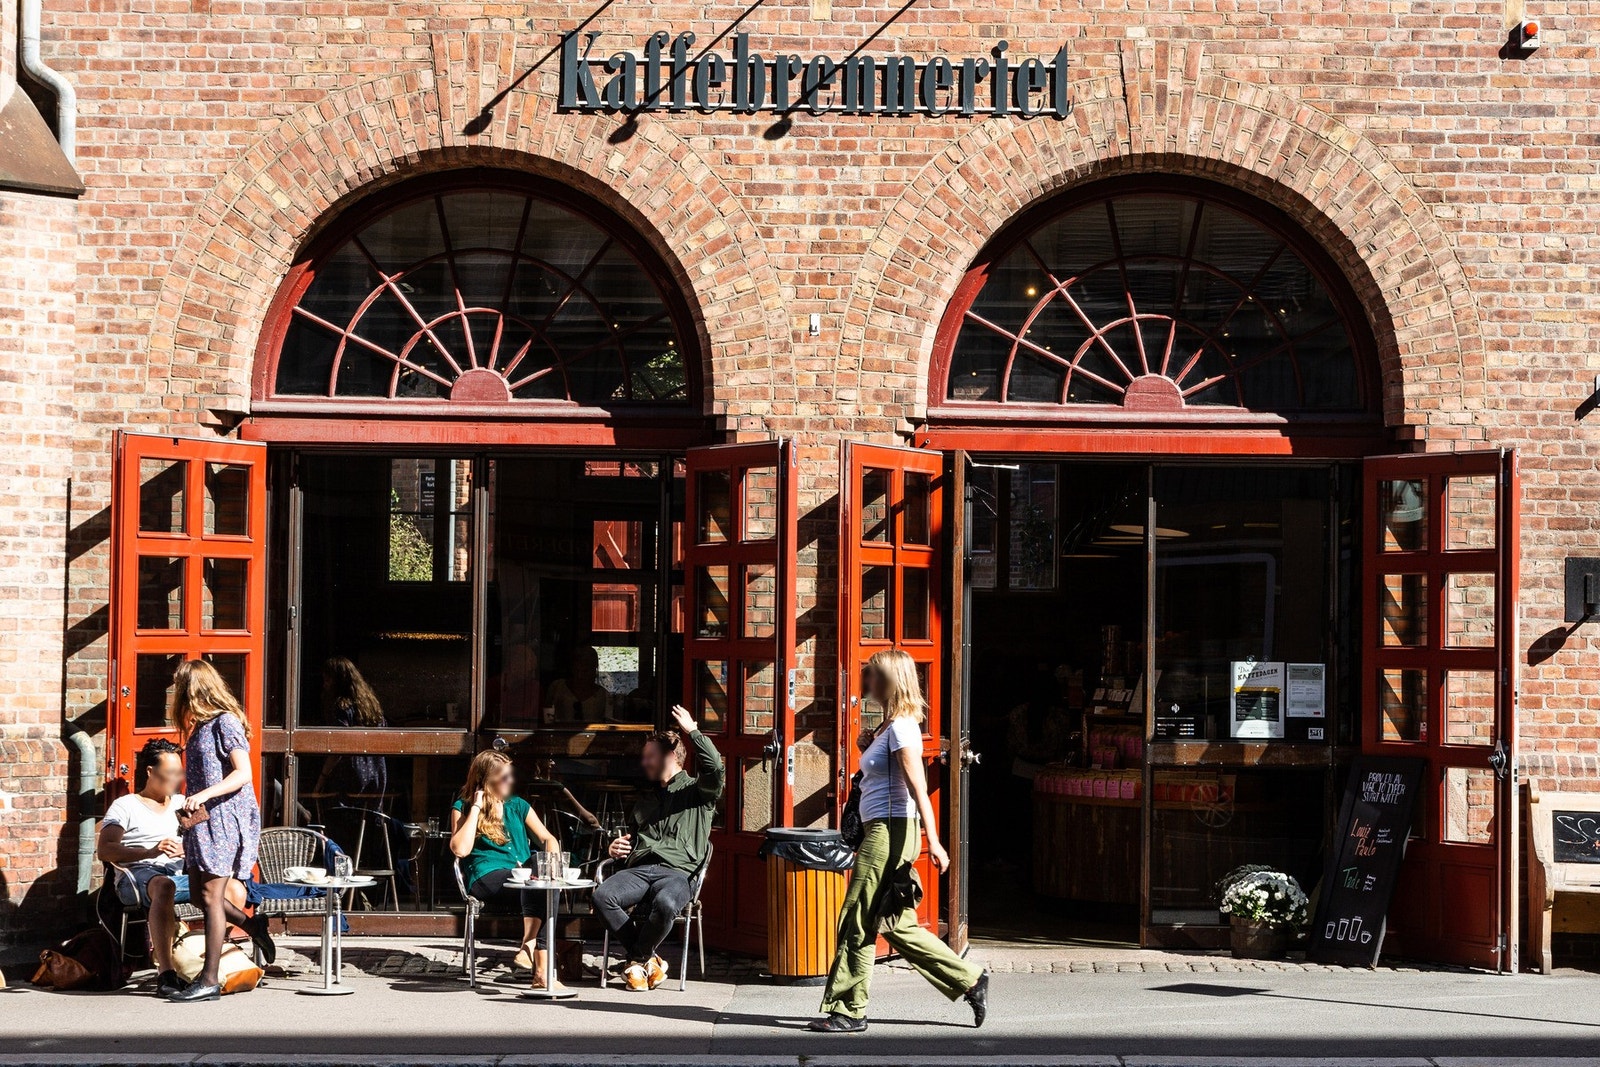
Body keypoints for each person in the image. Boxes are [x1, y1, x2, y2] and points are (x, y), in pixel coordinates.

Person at [807, 649, 990, 1033]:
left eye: (872, 674)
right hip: (884, 827)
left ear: (889, 680)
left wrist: (935, 843)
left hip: (889, 831)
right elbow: (883, 777)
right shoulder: (890, 726)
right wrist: (866, 749)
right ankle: (970, 979)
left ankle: (848, 1010)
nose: (866, 681)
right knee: (895, 922)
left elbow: (918, 788)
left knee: (856, 918)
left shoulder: (903, 728)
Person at [592, 703, 723, 992]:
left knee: (666, 904)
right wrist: (615, 849)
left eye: (650, 756)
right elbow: (633, 842)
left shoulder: (699, 793)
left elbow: (715, 767)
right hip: (640, 870)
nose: (645, 763)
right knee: (603, 896)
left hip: (678, 873)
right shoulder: (645, 801)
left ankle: (636, 959)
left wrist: (692, 731)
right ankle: (648, 960)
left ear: (671, 757)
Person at [168, 659, 273, 1002]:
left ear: (192, 688)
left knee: (213, 896)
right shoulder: (201, 726)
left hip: (224, 817)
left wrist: (203, 794)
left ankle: (209, 978)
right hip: (204, 817)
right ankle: (253, 925)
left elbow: (243, 773)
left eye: (179, 687)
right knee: (200, 894)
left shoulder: (225, 722)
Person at [448, 749, 562, 988]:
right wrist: (477, 807)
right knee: (542, 886)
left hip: (524, 879)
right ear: (485, 780)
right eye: (504, 777)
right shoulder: (464, 806)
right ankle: (542, 971)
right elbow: (459, 849)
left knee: (544, 878)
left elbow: (548, 839)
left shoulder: (518, 805)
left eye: (511, 775)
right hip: (487, 878)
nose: (511, 781)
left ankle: (529, 946)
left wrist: (552, 859)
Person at [98, 739, 187, 995]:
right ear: (150, 772)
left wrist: (186, 850)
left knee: (229, 886)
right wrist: (150, 851)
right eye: (171, 773)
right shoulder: (126, 806)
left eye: (179, 772)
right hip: (134, 878)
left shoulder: (183, 804)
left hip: (178, 874)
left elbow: (208, 843)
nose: (177, 779)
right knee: (164, 885)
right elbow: (105, 849)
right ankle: (167, 974)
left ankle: (214, 965)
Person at [312, 657, 389, 801]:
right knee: (369, 819)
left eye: (327, 680)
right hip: (377, 772)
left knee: (342, 816)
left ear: (338, 682)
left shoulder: (341, 708)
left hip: (351, 775)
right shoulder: (371, 706)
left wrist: (321, 780)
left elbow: (338, 747)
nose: (324, 685)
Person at [544, 645, 612, 722]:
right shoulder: (557, 688)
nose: (580, 676)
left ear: (593, 670)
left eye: (585, 671)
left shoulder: (603, 696)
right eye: (576, 670)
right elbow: (547, 719)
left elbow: (608, 723)